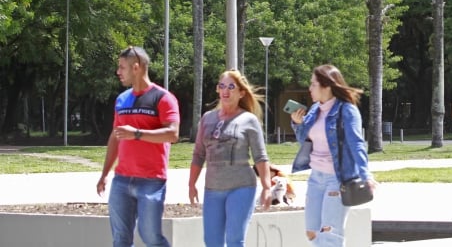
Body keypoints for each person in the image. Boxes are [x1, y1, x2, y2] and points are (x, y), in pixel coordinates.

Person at [97, 45, 180, 247]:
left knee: (151, 237)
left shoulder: (163, 98)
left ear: (136, 67)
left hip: (151, 181)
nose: (118, 72)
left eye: (122, 67)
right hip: (122, 181)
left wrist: (136, 134)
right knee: (121, 240)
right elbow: (115, 137)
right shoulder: (121, 99)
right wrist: (105, 173)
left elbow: (173, 134)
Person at [290, 64, 375, 246]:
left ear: (326, 86)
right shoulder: (314, 110)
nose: (310, 88)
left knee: (330, 235)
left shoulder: (347, 110)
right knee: (312, 232)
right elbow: (305, 140)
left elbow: (357, 143)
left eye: (313, 84)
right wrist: (297, 124)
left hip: (336, 179)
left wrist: (365, 174)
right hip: (315, 178)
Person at [188, 69, 272, 247]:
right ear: (218, 90)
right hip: (212, 189)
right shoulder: (207, 119)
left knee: (234, 240)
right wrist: (191, 184)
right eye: (222, 86)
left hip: (241, 188)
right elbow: (198, 154)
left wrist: (267, 187)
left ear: (241, 93)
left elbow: (261, 156)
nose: (225, 91)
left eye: (231, 87)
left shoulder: (249, 120)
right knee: (212, 242)